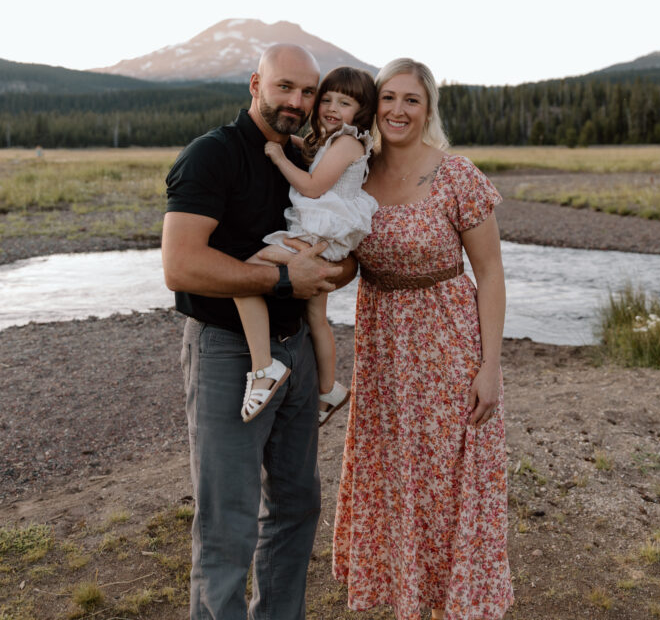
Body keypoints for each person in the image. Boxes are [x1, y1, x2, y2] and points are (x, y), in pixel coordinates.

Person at [162, 43, 357, 620]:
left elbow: (338, 249)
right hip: (228, 352)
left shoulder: (308, 158)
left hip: (297, 347)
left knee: (297, 505)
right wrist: (283, 279)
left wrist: (334, 269)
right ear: (255, 84)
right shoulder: (212, 155)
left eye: (308, 92)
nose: (296, 101)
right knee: (228, 520)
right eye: (284, 87)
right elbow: (181, 266)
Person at [332, 58, 514, 620]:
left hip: (449, 350)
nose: (397, 110)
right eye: (388, 97)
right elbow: (337, 252)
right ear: (374, 105)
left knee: (448, 484)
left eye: (411, 99)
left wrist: (490, 367)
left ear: (428, 108)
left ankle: (453, 606)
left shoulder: (456, 175)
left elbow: (490, 274)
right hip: (384, 354)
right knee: (396, 478)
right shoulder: (354, 174)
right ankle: (410, 600)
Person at [236, 66, 378, 424]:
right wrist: (292, 143)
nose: (331, 108)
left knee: (245, 274)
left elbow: (313, 187)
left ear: (360, 111)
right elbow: (318, 156)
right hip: (328, 238)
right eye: (326, 99)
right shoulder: (337, 140)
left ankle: (263, 367)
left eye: (344, 103)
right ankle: (328, 389)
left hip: (318, 237)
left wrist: (279, 157)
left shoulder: (347, 142)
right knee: (316, 317)